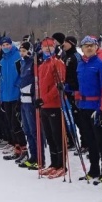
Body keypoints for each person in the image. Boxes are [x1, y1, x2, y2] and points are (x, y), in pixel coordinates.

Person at [75, 36, 102, 182]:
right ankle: (94, 169)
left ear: (96, 48)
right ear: (81, 48)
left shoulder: (100, 65)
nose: (89, 48)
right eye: (86, 46)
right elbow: (79, 85)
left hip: (96, 108)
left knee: (100, 141)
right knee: (90, 141)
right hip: (83, 107)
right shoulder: (80, 65)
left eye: (92, 46)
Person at [36, 37, 67, 178]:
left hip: (54, 105)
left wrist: (44, 99)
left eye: (50, 47)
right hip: (44, 106)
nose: (47, 50)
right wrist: (38, 99)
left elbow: (58, 86)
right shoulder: (42, 65)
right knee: (49, 136)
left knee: (57, 136)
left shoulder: (57, 63)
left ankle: (62, 164)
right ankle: (54, 162)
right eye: (44, 48)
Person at [0, 36, 27, 159]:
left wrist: (18, 85)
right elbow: (1, 80)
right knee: (10, 124)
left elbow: (23, 74)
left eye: (7, 45)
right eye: (3, 46)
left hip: (16, 95)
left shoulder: (17, 57)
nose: (6, 47)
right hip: (6, 96)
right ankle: (17, 147)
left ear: (11, 44)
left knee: (16, 123)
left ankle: (24, 147)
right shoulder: (2, 61)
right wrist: (1, 97)